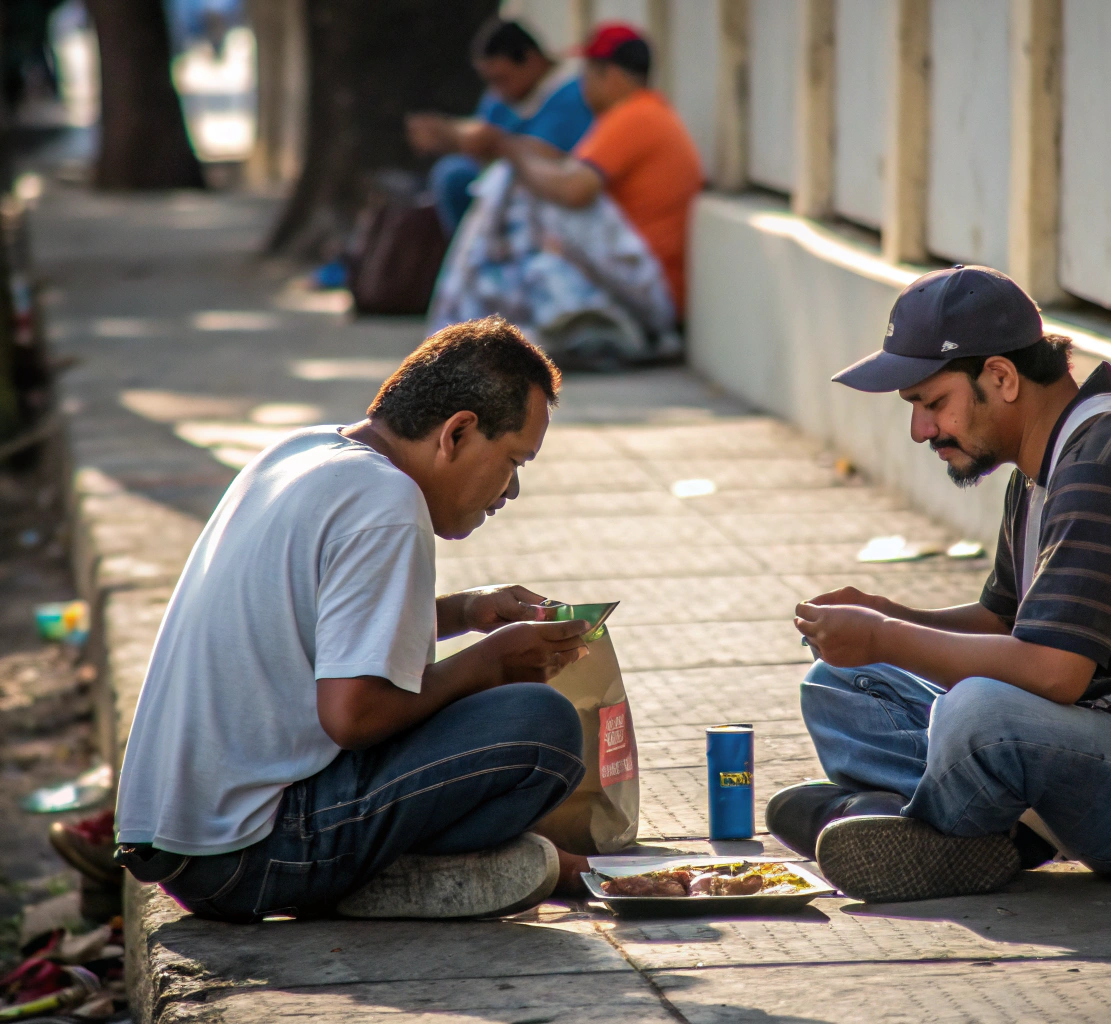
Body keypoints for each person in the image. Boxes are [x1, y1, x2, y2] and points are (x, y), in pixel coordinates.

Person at [768, 265, 1111, 904]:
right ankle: (955, 824)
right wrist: (888, 613)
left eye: (932, 403)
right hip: (1109, 746)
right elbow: (1003, 625)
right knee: (839, 684)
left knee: (981, 714)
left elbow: (1053, 673)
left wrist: (885, 637)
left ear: (1000, 377)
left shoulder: (1105, 467)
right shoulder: (1047, 464)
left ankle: (931, 826)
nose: (920, 431)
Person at [113, 317, 597, 922]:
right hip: (249, 852)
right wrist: (491, 662)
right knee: (539, 725)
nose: (513, 489)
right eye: (513, 460)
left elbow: (322, 627)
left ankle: (385, 866)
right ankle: (380, 878)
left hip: (178, 842)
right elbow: (354, 714)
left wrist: (465, 611)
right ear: (458, 432)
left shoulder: (304, 452)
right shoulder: (388, 502)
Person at [427, 22, 704, 362]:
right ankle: (471, 318)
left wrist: (509, 150)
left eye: (587, 75)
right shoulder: (643, 113)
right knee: (516, 188)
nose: (582, 87)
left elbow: (574, 190)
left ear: (611, 75)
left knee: (520, 191)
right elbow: (561, 165)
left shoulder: (635, 117)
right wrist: (511, 150)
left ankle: (460, 314)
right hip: (642, 280)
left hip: (654, 288)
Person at [406, 18, 594, 236]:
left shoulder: (571, 95)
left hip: (548, 203)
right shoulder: (499, 99)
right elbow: (481, 134)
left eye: (502, 79)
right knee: (451, 172)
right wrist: (449, 137)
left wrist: (496, 145)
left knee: (457, 178)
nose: (497, 90)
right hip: (503, 198)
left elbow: (549, 157)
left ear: (532, 61)